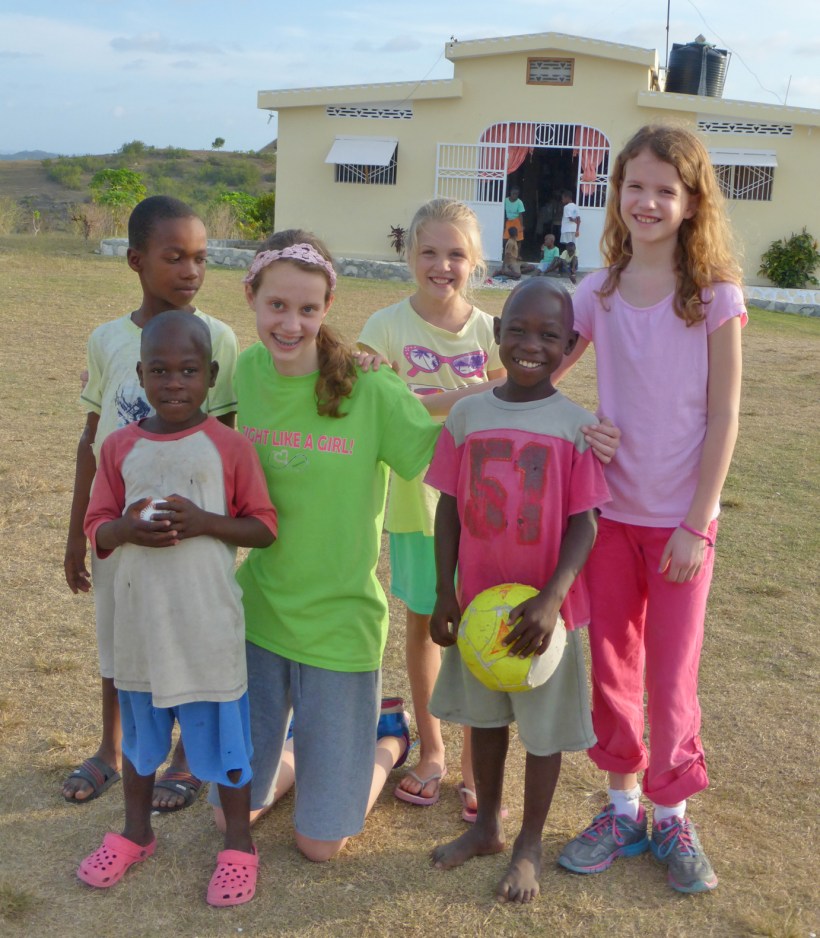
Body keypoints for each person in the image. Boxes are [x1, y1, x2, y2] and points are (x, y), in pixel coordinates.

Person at [555, 123, 746, 894]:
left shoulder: (715, 297)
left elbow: (724, 416)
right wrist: (581, 423)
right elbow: (535, 374)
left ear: (692, 202)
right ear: (617, 193)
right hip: (609, 519)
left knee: (670, 679)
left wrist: (697, 524)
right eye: (634, 185)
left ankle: (671, 814)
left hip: (680, 528)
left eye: (666, 189)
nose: (648, 201)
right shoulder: (596, 292)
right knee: (611, 668)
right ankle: (622, 808)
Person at [209, 231, 441, 862]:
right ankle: (305, 749)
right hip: (260, 616)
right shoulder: (244, 372)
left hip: (340, 625)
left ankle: (386, 742)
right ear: (250, 297)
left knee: (318, 846)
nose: (291, 324)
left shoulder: (371, 388)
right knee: (231, 813)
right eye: (277, 306)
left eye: (308, 309)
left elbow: (444, 463)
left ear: (327, 308)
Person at [77, 312, 277, 906]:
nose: (173, 383)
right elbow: (96, 526)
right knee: (141, 741)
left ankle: (238, 844)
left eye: (188, 371)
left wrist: (206, 522)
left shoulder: (229, 447)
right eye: (159, 371)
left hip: (207, 626)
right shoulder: (119, 447)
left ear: (211, 376)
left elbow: (263, 527)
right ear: (140, 375)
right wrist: (125, 529)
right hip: (141, 628)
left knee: (228, 744)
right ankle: (136, 832)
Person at [425, 278, 611, 903]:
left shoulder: (576, 426)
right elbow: (448, 507)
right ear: (497, 332)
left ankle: (529, 843)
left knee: (542, 732)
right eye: (519, 330)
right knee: (485, 721)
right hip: (481, 609)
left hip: (543, 618)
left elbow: (585, 523)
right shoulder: (467, 415)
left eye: (549, 336)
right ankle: (486, 826)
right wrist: (445, 591)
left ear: (570, 344)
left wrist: (553, 598)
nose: (532, 345)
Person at [63, 195, 240, 812]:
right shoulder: (107, 341)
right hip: (119, 533)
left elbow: (226, 447)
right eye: (175, 257)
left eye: (200, 258)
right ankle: (111, 749)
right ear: (136, 260)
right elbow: (92, 443)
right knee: (119, 641)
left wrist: (214, 527)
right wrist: (77, 533)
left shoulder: (219, 339)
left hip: (192, 537)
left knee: (194, 639)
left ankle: (188, 758)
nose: (191, 271)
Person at [358, 198, 505, 819]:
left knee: (477, 630)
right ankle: (433, 751)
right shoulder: (385, 327)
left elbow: (514, 390)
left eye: (456, 254)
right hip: (416, 506)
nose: (441, 265)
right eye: (429, 252)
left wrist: (427, 401)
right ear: (409, 256)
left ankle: (475, 762)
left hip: (485, 508)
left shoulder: (493, 330)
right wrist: (467, 395)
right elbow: (371, 396)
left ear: (477, 263)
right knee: (424, 625)